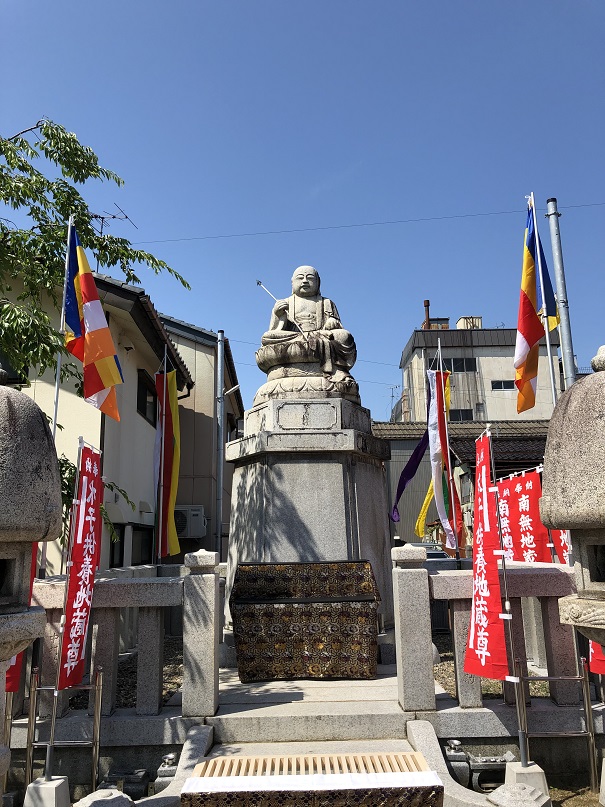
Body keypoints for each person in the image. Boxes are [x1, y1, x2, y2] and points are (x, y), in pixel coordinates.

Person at [258, 266, 356, 382]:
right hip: (294, 338)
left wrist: (332, 322)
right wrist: (280, 316)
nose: (305, 281)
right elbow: (274, 332)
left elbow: (337, 327)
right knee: (267, 337)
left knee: (344, 336)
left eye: (309, 278)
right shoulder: (286, 302)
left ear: (318, 282)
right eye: (300, 278)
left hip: (320, 335)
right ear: (292, 282)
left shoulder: (327, 302)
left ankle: (333, 369)